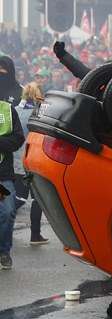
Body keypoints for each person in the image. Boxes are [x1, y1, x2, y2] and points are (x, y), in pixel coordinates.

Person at [15, 82, 48, 245]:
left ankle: (5, 227)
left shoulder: (15, 110)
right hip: (34, 161)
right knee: (36, 199)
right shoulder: (38, 114)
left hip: (16, 161)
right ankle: (35, 235)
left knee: (18, 197)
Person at [0, 98, 26, 269]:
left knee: (8, 212)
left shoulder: (7, 109)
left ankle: (4, 252)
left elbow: (18, 139)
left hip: (3, 175)